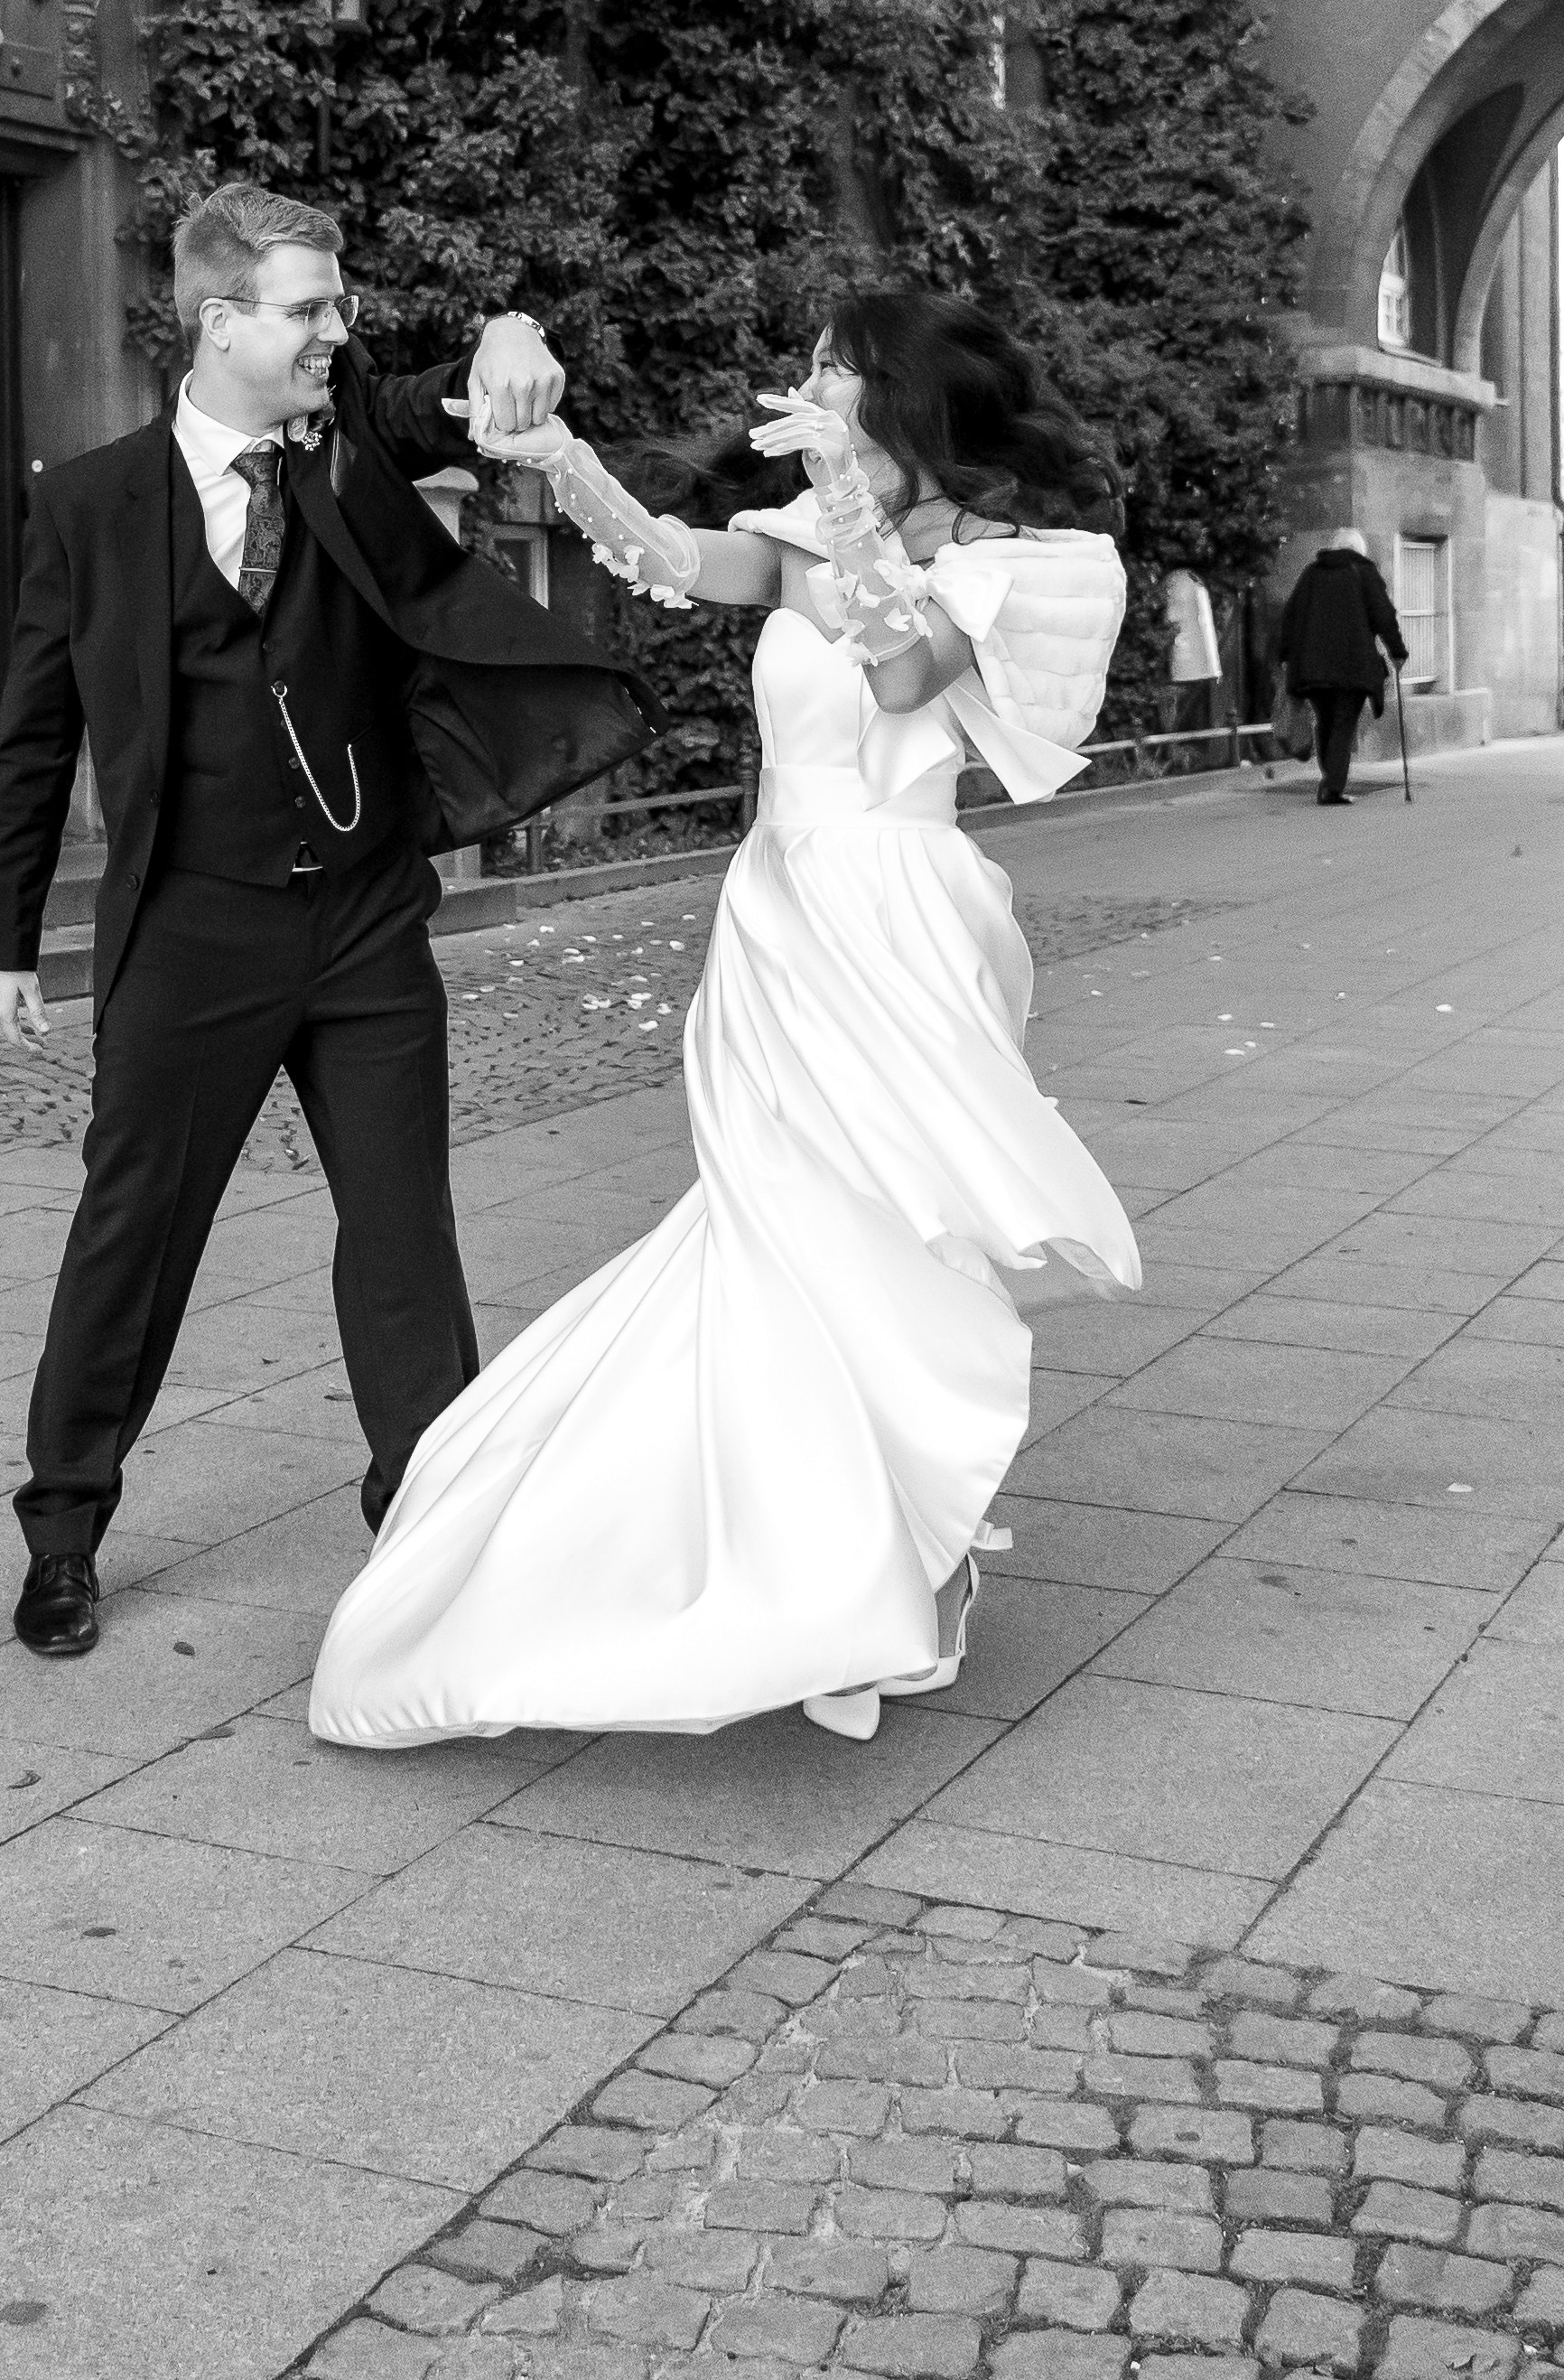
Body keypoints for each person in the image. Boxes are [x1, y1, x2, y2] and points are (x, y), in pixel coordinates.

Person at [309, 288, 1141, 1752]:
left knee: (884, 1238)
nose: (808, 383)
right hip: (778, 927)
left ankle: (905, 1555)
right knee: (778, 1236)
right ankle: (837, 1554)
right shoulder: (812, 540)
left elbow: (898, 669)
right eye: (816, 362)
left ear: (902, 399)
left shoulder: (1018, 563)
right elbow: (671, 555)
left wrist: (838, 489)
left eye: (839, 367)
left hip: (899, 925)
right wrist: (559, 454)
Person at [0, 182, 656, 1661]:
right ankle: (65, 1525)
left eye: (338, 307)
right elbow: (33, 737)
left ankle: (428, 1509)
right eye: (309, 308)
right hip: (190, 930)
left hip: (360, 925)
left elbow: (448, 397)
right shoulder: (88, 503)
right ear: (221, 321)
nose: (336, 333)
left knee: (405, 1229)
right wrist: (3, 939)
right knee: (132, 1232)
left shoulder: (346, 445)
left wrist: (513, 331)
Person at [1275, 526, 1407, 807]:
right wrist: (1397, 650)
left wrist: (1285, 654)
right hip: (1353, 666)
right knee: (1343, 724)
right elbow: (1384, 615)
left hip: (1312, 667)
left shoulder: (1312, 573)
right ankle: (1332, 787)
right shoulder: (1364, 572)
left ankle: (1330, 779)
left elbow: (1291, 614)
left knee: (1325, 721)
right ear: (1359, 550)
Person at [1161, 566, 1222, 738]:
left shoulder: (1177, 581)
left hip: (1182, 659)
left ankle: (1176, 749)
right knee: (1196, 714)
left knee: (1180, 711)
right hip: (1202, 663)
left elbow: (1171, 617)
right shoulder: (1193, 581)